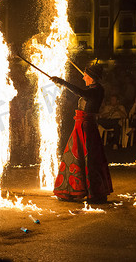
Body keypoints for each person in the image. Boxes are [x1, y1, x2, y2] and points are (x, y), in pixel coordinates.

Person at [50, 63, 113, 203]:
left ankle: (92, 192)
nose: (83, 77)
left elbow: (81, 93)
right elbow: (83, 92)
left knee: (86, 158)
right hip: (81, 125)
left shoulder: (97, 90)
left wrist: (62, 82)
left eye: (85, 75)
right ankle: (73, 190)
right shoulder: (93, 88)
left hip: (86, 127)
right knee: (74, 157)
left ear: (91, 77)